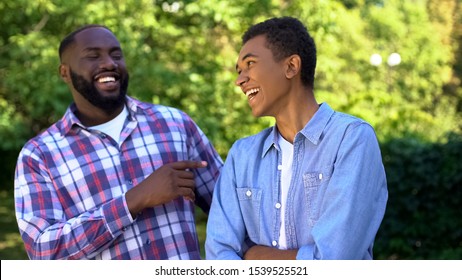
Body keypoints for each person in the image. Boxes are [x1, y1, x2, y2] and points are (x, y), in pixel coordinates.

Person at [14, 24, 223, 260]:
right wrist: (132, 201)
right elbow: (43, 251)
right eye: (93, 56)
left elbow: (231, 208)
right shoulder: (39, 155)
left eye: (116, 55)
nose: (109, 63)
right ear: (65, 72)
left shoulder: (175, 124)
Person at [205, 17, 388, 260]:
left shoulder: (351, 139)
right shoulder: (242, 155)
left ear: (291, 66)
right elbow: (219, 254)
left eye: (250, 64)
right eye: (239, 71)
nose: (239, 80)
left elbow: (335, 259)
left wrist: (256, 256)